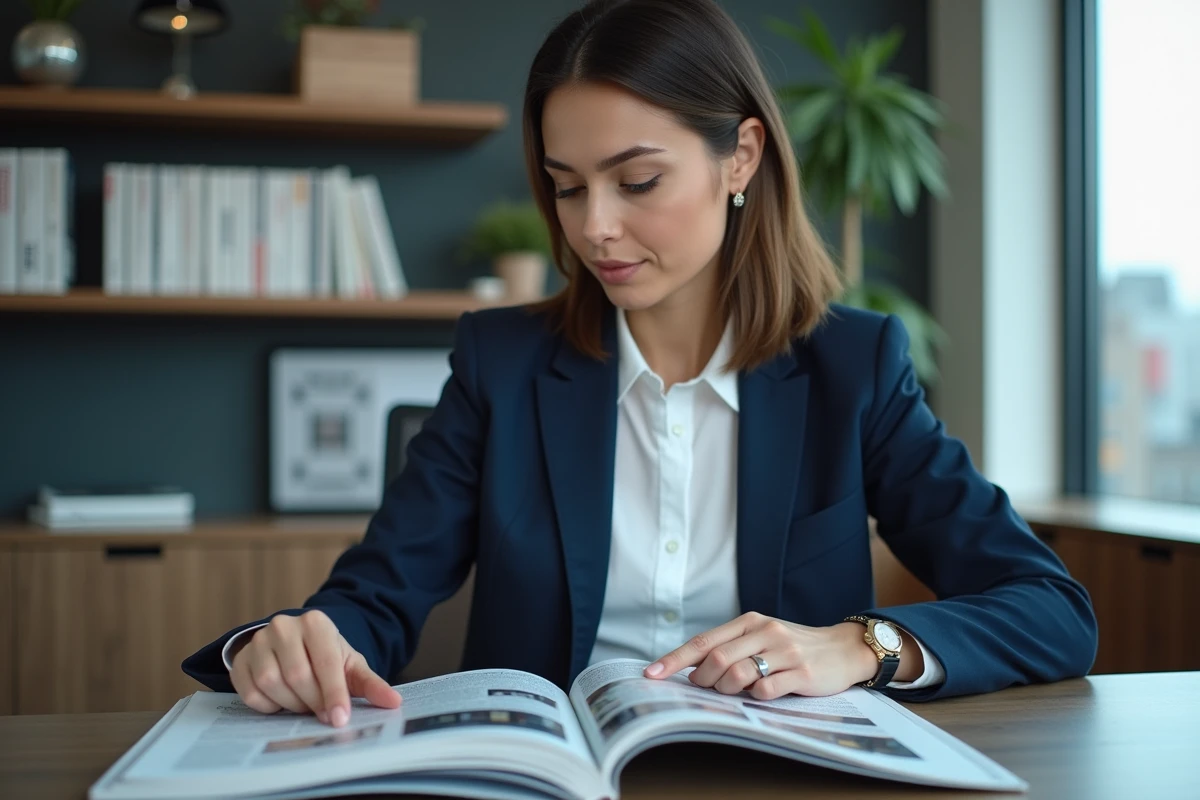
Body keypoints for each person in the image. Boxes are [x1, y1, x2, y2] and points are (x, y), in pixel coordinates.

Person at [182, 0, 1097, 729]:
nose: (593, 228)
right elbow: (376, 596)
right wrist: (286, 644)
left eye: (638, 181)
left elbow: (1050, 610)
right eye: (567, 186)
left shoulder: (854, 367)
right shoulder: (502, 366)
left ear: (739, 156)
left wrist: (863, 646)